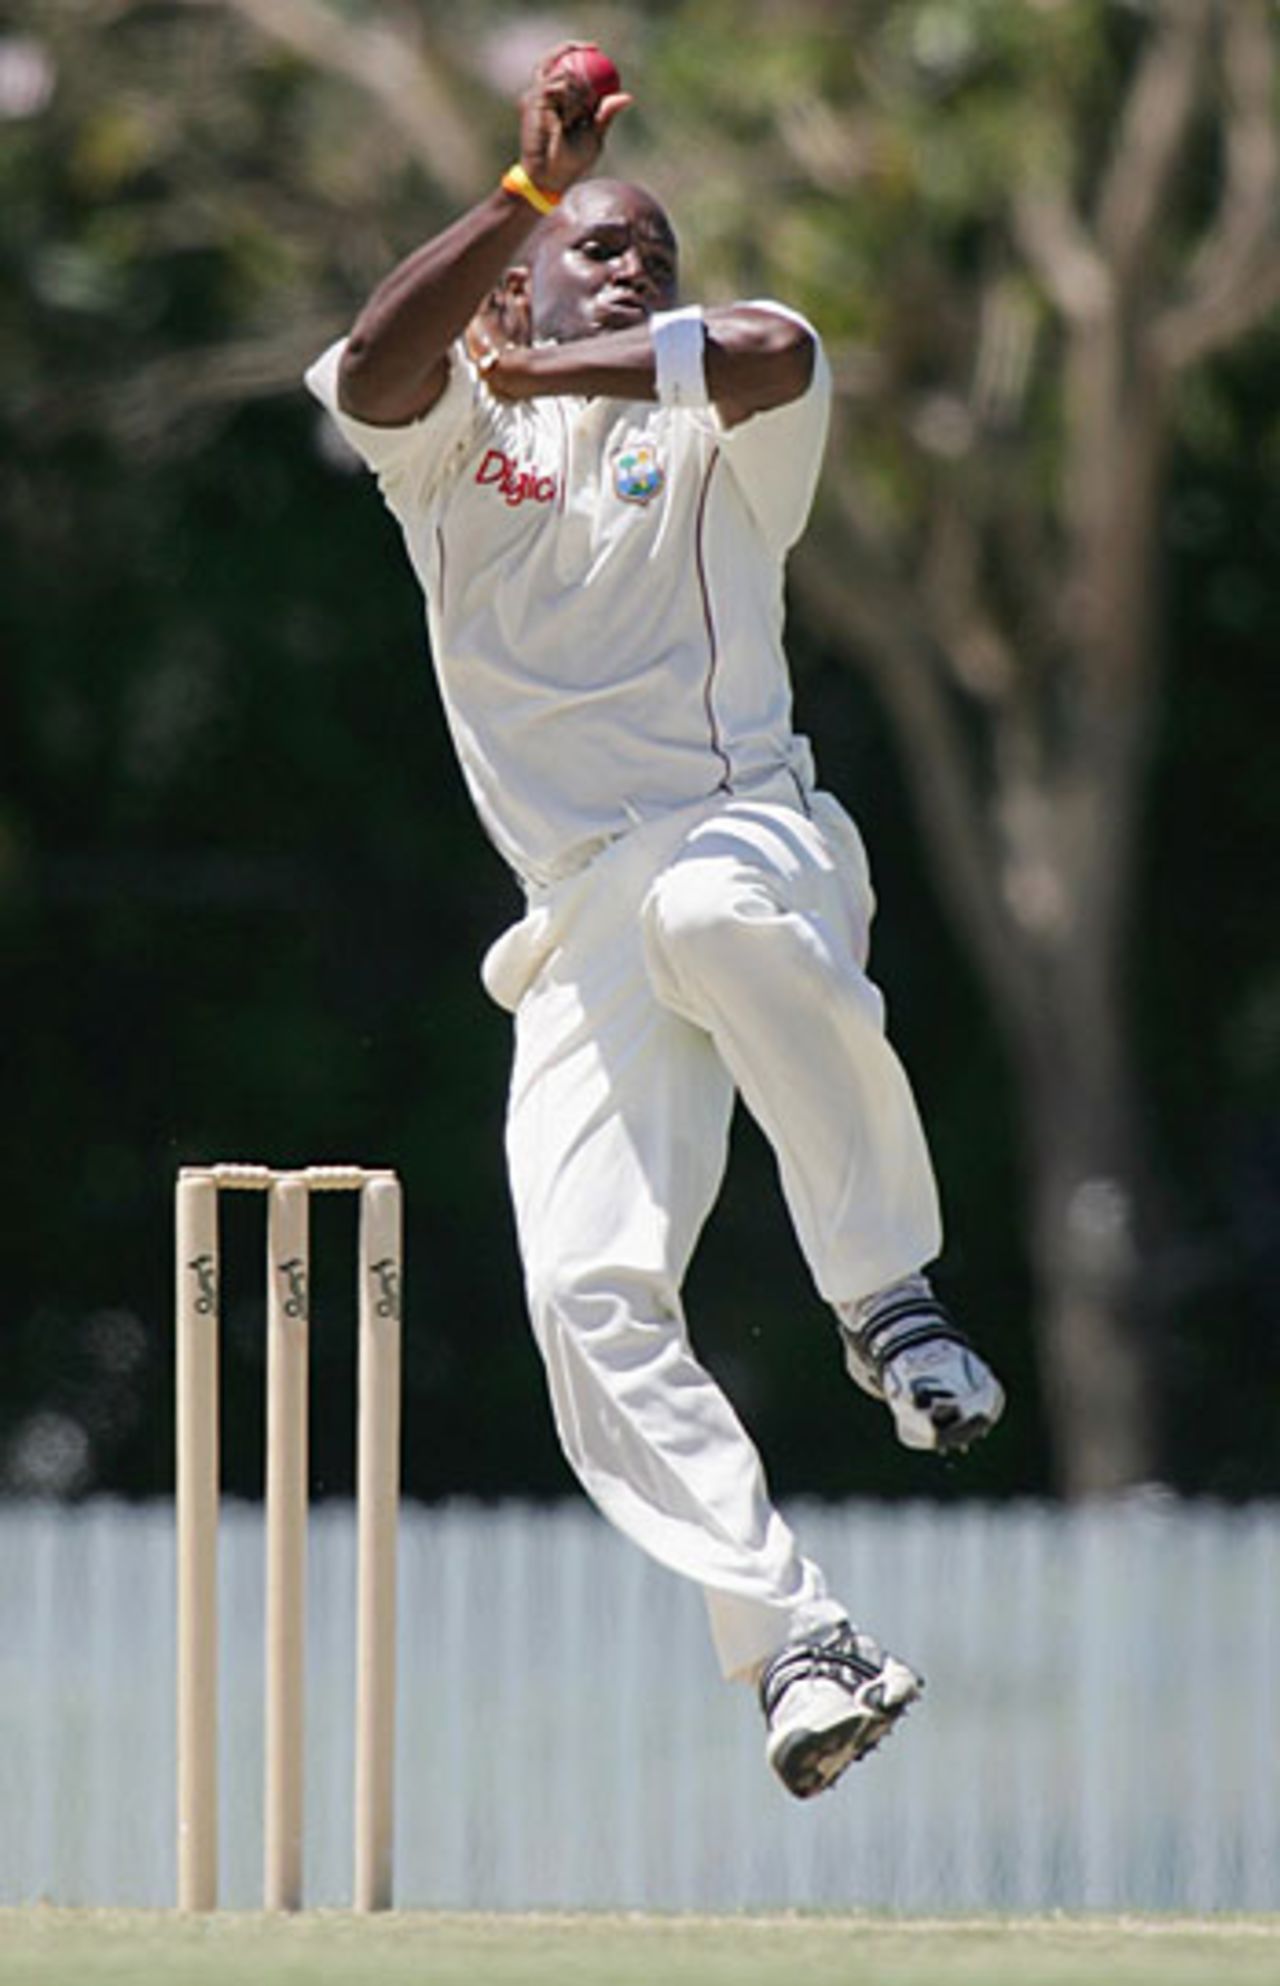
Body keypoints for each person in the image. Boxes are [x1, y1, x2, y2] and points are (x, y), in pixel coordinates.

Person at [306, 46, 1004, 1800]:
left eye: (652, 252)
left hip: (747, 832)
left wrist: (557, 342)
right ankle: (796, 1640)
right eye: (595, 247)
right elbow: (377, 370)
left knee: (710, 908)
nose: (636, 264)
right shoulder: (452, 447)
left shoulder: (717, 414)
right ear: (518, 275)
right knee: (586, 1295)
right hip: (571, 921)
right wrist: (525, 191)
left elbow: (780, 350)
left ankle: (882, 1292)